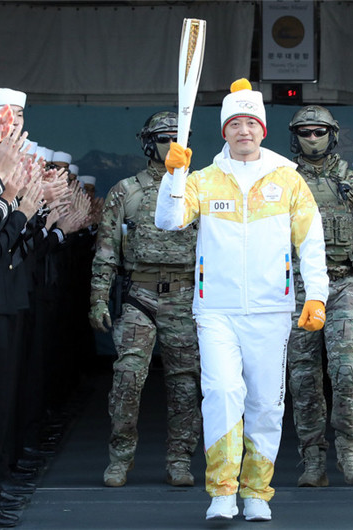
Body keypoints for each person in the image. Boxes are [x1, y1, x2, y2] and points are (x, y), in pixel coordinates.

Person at [155, 79, 328, 522]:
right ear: (225, 131)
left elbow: (310, 243)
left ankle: (256, 492)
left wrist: (317, 296)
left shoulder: (289, 181)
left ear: (263, 130)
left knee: (266, 404)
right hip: (216, 309)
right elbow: (169, 221)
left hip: (272, 308)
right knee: (221, 392)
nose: (244, 130)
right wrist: (173, 175)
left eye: (251, 122)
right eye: (235, 123)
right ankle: (222, 491)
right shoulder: (203, 180)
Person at [89, 111, 202, 489]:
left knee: (185, 383)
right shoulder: (127, 190)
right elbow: (106, 250)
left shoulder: (198, 189)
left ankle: (180, 459)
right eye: (163, 138)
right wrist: (99, 299)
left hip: (185, 298)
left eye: (177, 138)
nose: (170, 145)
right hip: (140, 295)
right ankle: (120, 457)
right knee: (126, 377)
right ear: (148, 143)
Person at [284, 105, 353, 488]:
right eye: (305, 132)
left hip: (343, 283)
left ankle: (348, 449)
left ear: (333, 135)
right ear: (294, 136)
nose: (312, 139)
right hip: (296, 287)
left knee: (347, 370)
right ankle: (312, 459)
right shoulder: (282, 182)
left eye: (319, 132)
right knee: (303, 378)